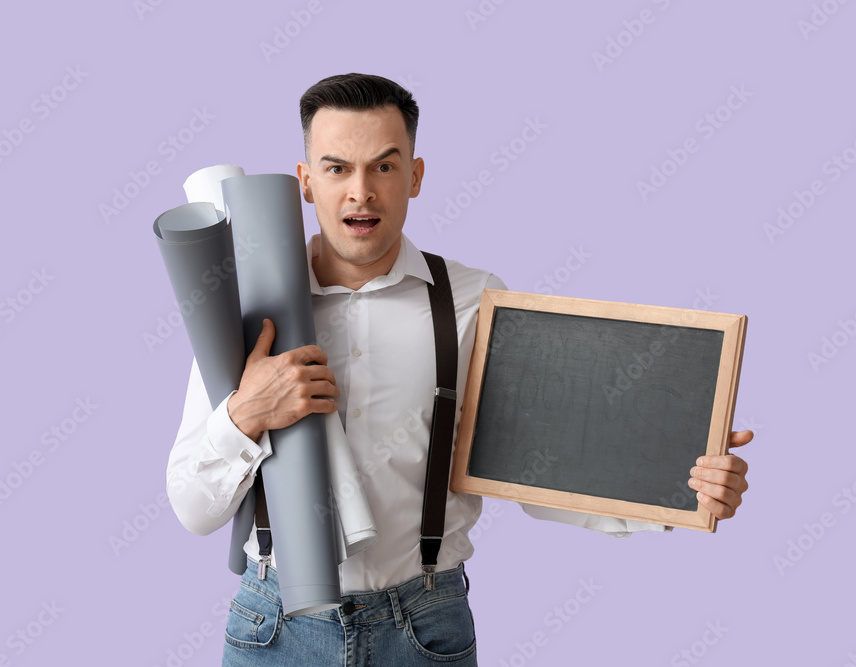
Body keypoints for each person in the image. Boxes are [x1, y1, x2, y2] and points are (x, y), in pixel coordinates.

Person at [166, 73, 754, 666]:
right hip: (275, 628)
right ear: (306, 181)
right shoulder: (245, 308)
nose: (360, 192)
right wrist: (245, 415)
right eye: (338, 168)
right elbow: (193, 507)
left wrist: (677, 488)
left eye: (384, 167)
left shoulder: (472, 301)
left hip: (424, 627)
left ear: (415, 177)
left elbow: (538, 469)